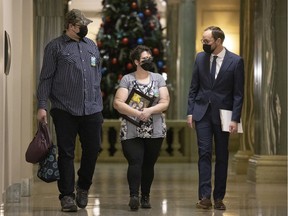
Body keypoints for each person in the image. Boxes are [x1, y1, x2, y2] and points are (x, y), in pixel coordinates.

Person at [36, 9, 103, 212]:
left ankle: (83, 186)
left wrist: (96, 95)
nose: (85, 28)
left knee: (93, 149)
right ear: (71, 26)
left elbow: (97, 72)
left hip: (92, 108)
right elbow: (46, 78)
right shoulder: (55, 47)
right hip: (64, 108)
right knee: (66, 153)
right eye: (82, 25)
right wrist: (41, 105)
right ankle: (66, 195)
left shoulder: (91, 45)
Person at [186, 26, 244, 210]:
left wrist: (235, 118)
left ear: (218, 41)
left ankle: (218, 197)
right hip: (202, 112)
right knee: (203, 153)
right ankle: (204, 197)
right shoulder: (200, 58)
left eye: (207, 41)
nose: (203, 44)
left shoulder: (235, 61)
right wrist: (190, 112)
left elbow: (238, 94)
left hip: (224, 115)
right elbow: (193, 87)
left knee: (222, 155)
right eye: (202, 40)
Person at [113, 45, 170, 211]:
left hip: (155, 129)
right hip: (131, 128)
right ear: (136, 61)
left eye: (150, 58)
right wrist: (138, 114)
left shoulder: (158, 78)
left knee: (148, 164)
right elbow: (118, 103)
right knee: (135, 161)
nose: (148, 61)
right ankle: (134, 196)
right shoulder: (127, 79)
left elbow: (165, 102)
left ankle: (145, 196)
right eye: (144, 59)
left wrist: (149, 111)